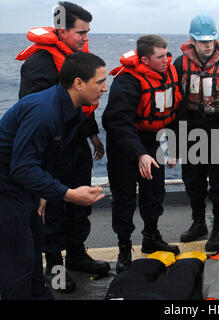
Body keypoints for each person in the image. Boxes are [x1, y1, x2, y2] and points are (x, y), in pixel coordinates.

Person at [15, 1, 109, 293]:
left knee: (79, 205)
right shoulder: (40, 63)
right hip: (53, 149)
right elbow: (33, 114)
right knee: (53, 208)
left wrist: (93, 136)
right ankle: (54, 268)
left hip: (76, 144)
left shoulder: (77, 58)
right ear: (62, 29)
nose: (85, 38)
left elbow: (84, 106)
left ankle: (77, 255)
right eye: (80, 32)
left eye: (87, 32)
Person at [102, 35, 183, 274]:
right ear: (145, 59)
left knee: (154, 192)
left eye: (167, 55)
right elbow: (118, 123)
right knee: (125, 198)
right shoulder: (126, 82)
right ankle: (124, 248)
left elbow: (174, 112)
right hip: (124, 145)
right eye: (160, 57)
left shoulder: (169, 75)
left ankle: (151, 237)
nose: (166, 61)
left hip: (152, 140)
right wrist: (139, 154)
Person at [173, 14, 219, 252]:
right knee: (192, 181)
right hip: (191, 128)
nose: (208, 44)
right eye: (202, 41)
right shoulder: (180, 64)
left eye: (211, 40)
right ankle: (199, 222)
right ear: (192, 39)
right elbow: (175, 100)